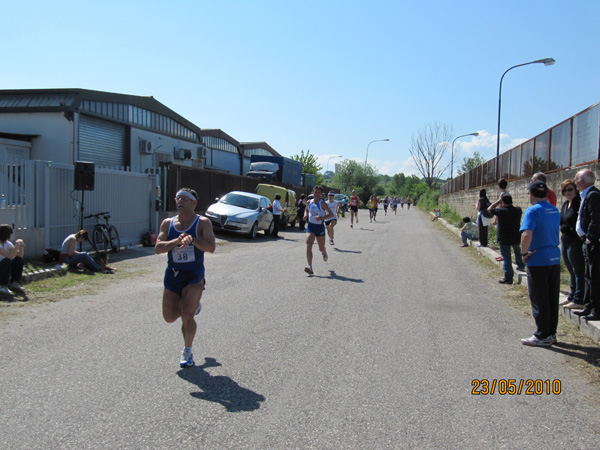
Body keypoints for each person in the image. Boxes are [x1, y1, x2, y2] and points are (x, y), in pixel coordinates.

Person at [155, 188, 216, 367]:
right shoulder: (167, 223)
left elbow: (211, 247)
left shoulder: (202, 222)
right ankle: (192, 304)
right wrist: (176, 242)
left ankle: (187, 351)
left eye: (185, 199)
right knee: (169, 317)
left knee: (187, 315)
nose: (180, 201)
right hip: (173, 275)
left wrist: (193, 240)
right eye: (178, 198)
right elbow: (158, 248)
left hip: (194, 276)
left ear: (194, 203)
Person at [520, 180, 561, 346]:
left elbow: (526, 235)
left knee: (539, 298)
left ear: (531, 194)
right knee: (552, 297)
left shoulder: (532, 211)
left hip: (538, 259)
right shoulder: (554, 209)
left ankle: (542, 335)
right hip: (554, 257)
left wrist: (523, 253)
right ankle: (551, 332)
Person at [572, 169, 600, 321]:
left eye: (576, 179)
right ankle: (588, 305)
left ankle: (596, 309)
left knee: (594, 276)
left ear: (582, 181)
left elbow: (596, 219)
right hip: (586, 242)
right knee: (588, 275)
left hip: (593, 243)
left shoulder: (593, 195)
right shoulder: (587, 195)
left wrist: (590, 237)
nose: (575, 182)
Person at [558, 179, 586, 309]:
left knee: (578, 270)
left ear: (575, 190)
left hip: (575, 240)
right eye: (565, 190)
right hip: (565, 240)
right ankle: (572, 295)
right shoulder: (565, 205)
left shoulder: (578, 204)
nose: (567, 192)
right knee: (570, 269)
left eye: (570, 189)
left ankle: (579, 299)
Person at [488, 193, 525, 284]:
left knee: (507, 258)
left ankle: (508, 277)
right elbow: (516, 207)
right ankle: (520, 265)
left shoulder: (501, 211)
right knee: (517, 251)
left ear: (503, 202)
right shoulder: (518, 210)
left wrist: (498, 201)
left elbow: (489, 209)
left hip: (504, 237)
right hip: (515, 235)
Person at [303, 186, 334, 275]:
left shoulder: (322, 203)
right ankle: (310, 267)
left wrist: (322, 218)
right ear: (313, 193)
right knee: (308, 245)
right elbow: (307, 210)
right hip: (311, 227)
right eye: (315, 192)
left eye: (318, 193)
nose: (317, 194)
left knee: (321, 248)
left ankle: (324, 252)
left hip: (319, 228)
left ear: (321, 194)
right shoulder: (309, 202)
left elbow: (331, 214)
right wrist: (305, 215)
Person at [0, 224, 26, 297]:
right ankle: (2, 285)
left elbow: (19, 255)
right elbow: (9, 256)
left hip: (4, 266)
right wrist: (17, 245)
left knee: (19, 260)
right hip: (2, 266)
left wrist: (21, 246)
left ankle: (14, 283)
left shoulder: (7, 243)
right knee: (6, 261)